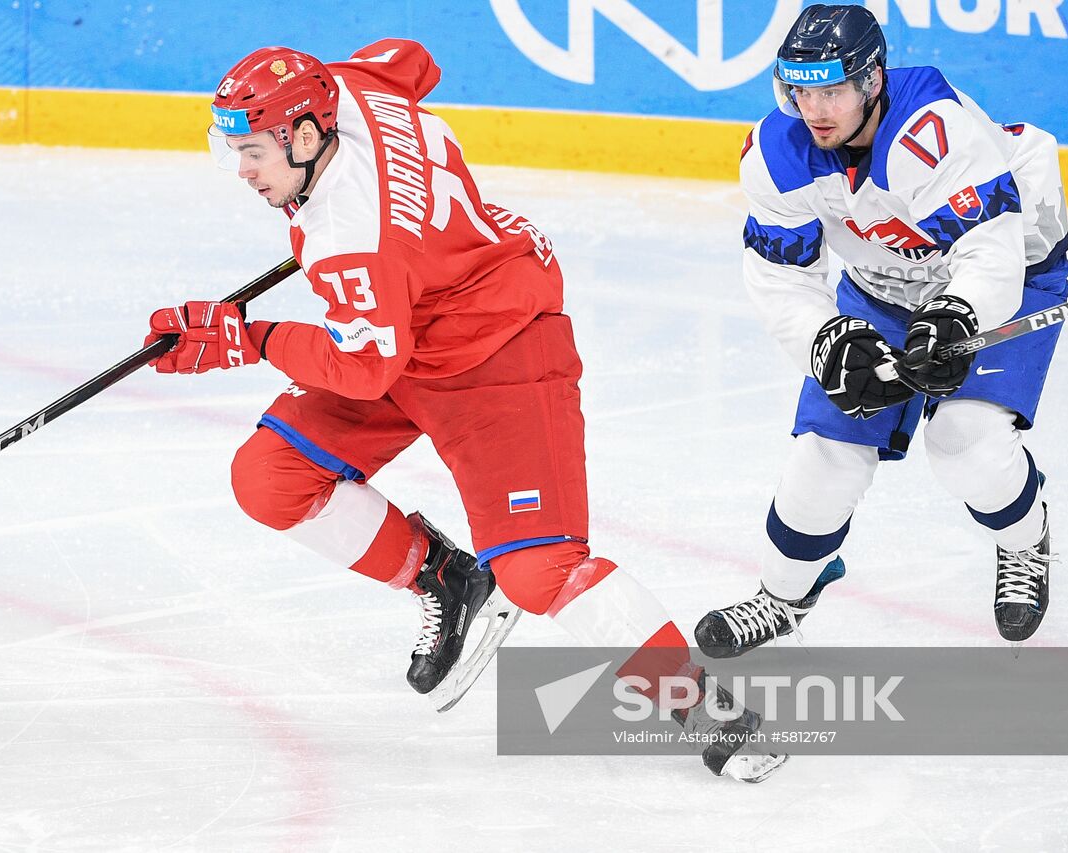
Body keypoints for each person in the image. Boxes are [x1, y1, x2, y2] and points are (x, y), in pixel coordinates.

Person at [144, 38, 784, 781]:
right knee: (271, 477)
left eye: (253, 151)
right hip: (411, 321)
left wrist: (248, 338)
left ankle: (707, 706)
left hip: (499, 347)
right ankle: (446, 578)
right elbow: (411, 59)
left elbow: (362, 365)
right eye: (232, 151)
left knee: (540, 572)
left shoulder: (354, 238)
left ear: (308, 134)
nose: (243, 172)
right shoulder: (348, 86)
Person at [696, 4, 1068, 657]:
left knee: (964, 442)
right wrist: (827, 340)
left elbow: (990, 251)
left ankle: (1023, 538)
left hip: (1006, 271)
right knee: (826, 453)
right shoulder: (777, 153)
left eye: (832, 89)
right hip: (883, 286)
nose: (814, 108)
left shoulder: (931, 130)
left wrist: (955, 314)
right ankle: (782, 596)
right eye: (800, 89)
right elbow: (779, 276)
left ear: (872, 81)